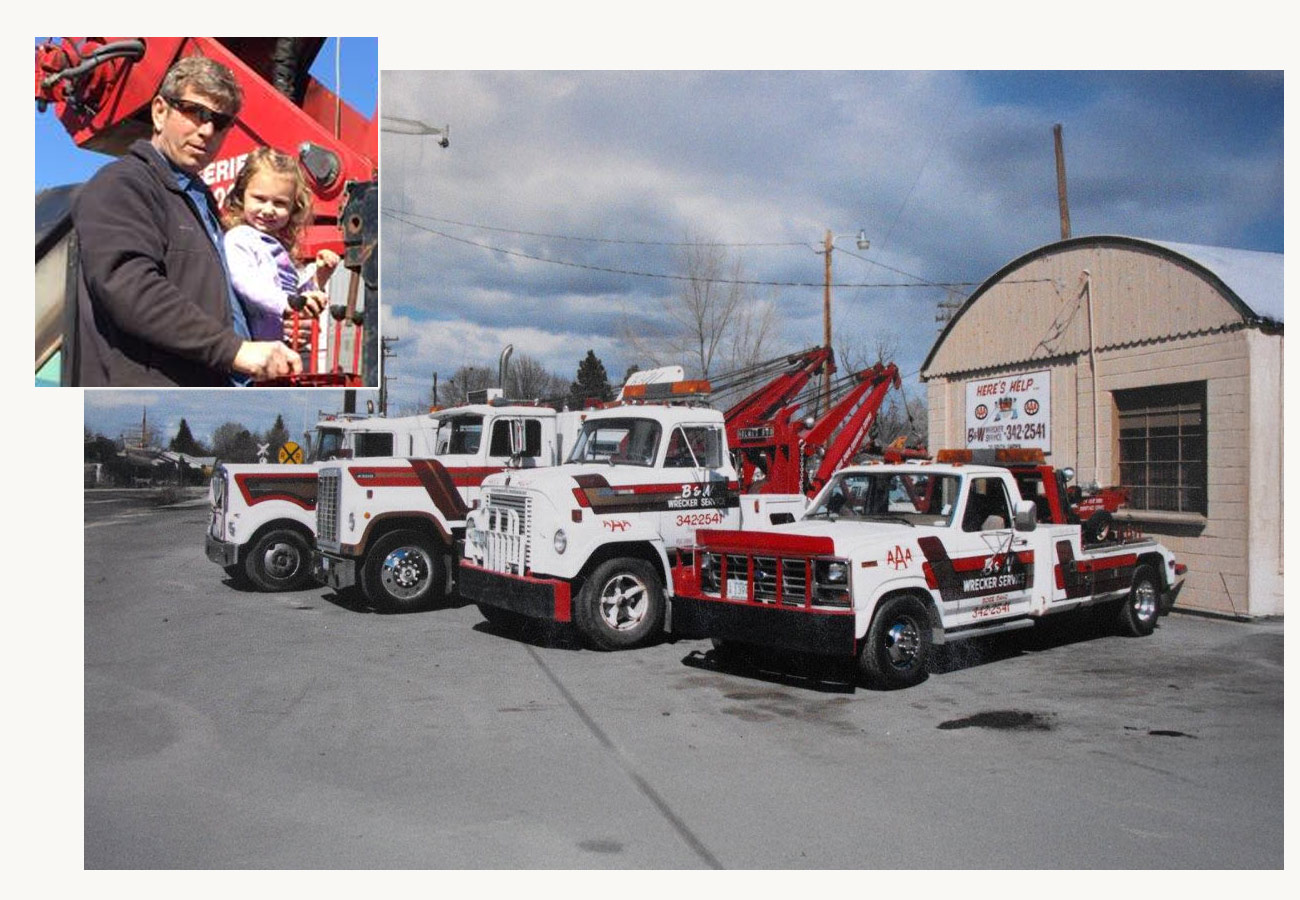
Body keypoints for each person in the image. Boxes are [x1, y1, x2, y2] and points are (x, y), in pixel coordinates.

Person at [70, 55, 301, 386]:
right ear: (160, 111)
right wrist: (234, 350)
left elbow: (218, 300)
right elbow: (129, 287)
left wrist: (269, 332)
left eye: (220, 122)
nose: (207, 130)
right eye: (196, 113)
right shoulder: (123, 183)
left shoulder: (201, 203)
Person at [220, 147, 339, 349]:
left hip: (280, 348)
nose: (268, 210)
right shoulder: (239, 239)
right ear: (242, 196)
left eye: (279, 203)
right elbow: (246, 283)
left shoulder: (277, 246)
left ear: (294, 207)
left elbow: (291, 294)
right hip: (253, 347)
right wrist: (287, 304)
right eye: (259, 198)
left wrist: (320, 276)